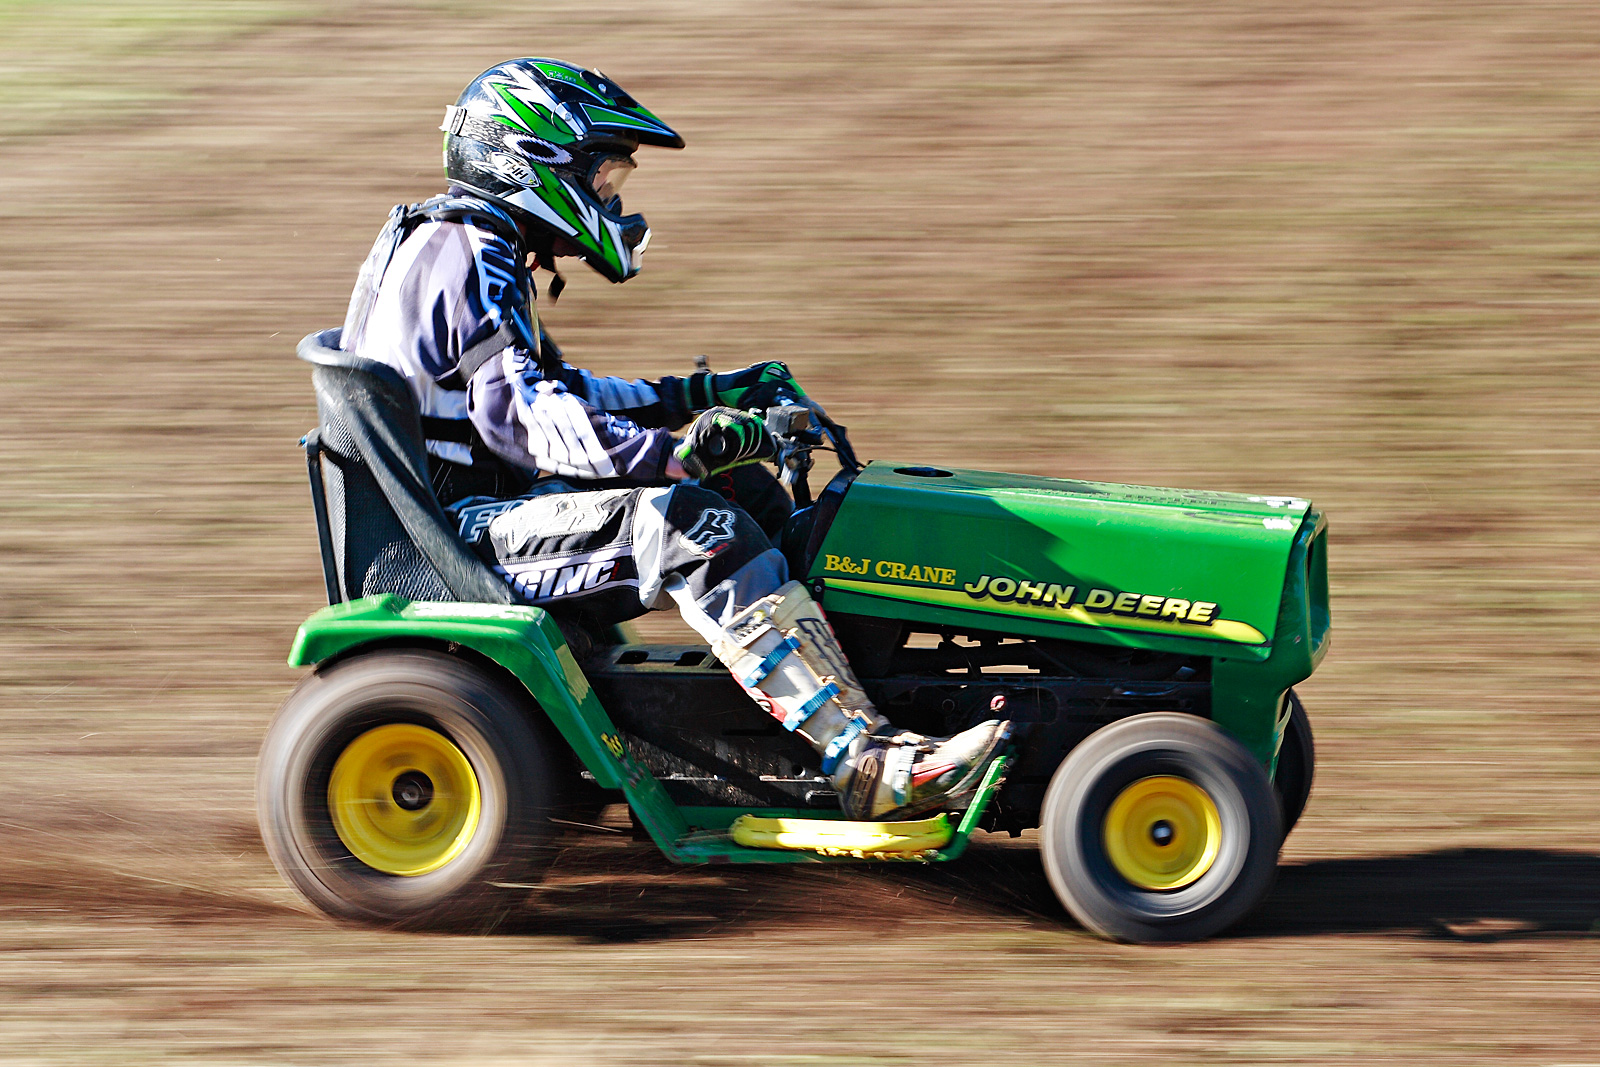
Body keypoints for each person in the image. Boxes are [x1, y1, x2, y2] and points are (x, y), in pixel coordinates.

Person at [339, 57, 1008, 821]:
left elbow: (561, 393)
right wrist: (674, 454)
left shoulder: (462, 241)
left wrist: (703, 394)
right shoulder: (468, 250)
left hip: (458, 512)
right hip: (454, 537)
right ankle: (863, 759)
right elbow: (517, 417)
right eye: (603, 182)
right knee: (693, 524)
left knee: (743, 489)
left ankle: (801, 703)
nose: (612, 203)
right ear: (531, 161)